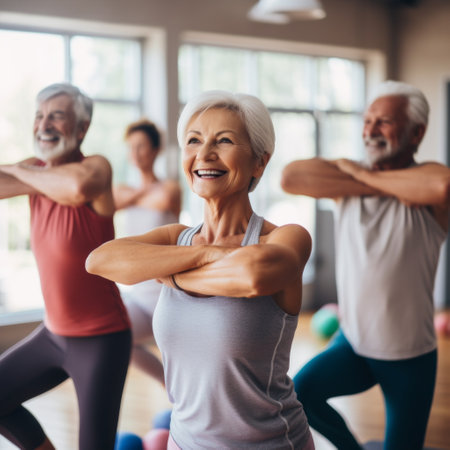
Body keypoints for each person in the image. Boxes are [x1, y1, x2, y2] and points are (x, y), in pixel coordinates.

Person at [86, 90, 315, 449]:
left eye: (223, 141)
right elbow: (100, 260)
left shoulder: (285, 238)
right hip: (183, 441)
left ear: (259, 162)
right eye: (194, 140)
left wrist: (166, 272)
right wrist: (205, 254)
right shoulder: (178, 237)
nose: (204, 154)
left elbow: (251, 276)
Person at [281, 80, 450, 450]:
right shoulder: (346, 184)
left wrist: (361, 175)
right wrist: (367, 179)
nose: (371, 130)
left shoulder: (424, 185)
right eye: (367, 120)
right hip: (353, 344)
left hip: (410, 357)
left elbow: (441, 186)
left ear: (417, 132)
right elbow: (289, 177)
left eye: (384, 121)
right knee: (300, 394)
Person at [0, 83, 131, 450]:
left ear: (82, 128)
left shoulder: (97, 167)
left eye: (56, 116)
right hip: (53, 335)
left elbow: (76, 188)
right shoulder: (36, 174)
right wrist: (27, 170)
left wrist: (17, 168)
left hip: (102, 339)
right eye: (40, 116)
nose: (45, 124)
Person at [113, 119, 181, 385]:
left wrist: (135, 196)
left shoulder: (171, 188)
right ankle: (169, 387)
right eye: (131, 147)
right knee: (119, 339)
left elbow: (163, 199)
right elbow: (115, 201)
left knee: (185, 359)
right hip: (140, 295)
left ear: (155, 150)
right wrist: (143, 194)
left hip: (169, 294)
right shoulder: (122, 189)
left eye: (141, 146)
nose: (136, 153)